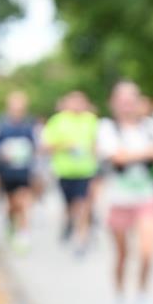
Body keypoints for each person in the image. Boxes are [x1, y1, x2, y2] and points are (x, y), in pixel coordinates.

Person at [97, 81, 153, 304]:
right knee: (122, 255)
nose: (127, 104)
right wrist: (148, 152)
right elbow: (116, 156)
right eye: (122, 100)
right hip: (119, 200)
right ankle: (120, 300)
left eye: (132, 99)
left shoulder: (151, 127)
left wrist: (150, 152)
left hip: (146, 198)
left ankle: (142, 299)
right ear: (113, 103)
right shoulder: (106, 128)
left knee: (147, 252)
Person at [41, 91, 100, 256]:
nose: (77, 105)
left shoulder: (91, 120)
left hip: (86, 171)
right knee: (70, 206)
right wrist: (64, 146)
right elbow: (46, 146)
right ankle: (69, 223)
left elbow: (96, 143)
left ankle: (81, 240)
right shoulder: (57, 120)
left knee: (82, 204)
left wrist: (98, 163)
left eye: (81, 102)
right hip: (64, 172)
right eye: (74, 102)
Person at [0, 91, 37, 252]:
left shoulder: (28, 125)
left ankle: (23, 235)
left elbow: (34, 145)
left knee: (23, 202)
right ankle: (9, 220)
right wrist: (3, 154)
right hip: (7, 172)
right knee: (12, 204)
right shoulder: (0, 125)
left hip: (23, 171)